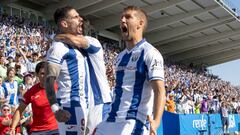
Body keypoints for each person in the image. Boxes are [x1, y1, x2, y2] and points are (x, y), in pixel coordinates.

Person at [94, 6, 166, 135]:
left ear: (140, 24)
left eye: (128, 17)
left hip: (133, 121)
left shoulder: (150, 53)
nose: (122, 20)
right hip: (111, 119)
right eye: (121, 17)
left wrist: (156, 121)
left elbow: (159, 90)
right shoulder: (120, 56)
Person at [54, 20, 112, 134]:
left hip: (98, 100)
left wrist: (56, 36)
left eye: (80, 24)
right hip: (82, 102)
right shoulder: (70, 49)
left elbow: (75, 40)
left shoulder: (92, 41)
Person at [45, 6, 89, 135]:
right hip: (69, 106)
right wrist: (56, 109)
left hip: (83, 104)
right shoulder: (58, 48)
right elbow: (49, 79)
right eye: (75, 17)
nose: (80, 19)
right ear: (64, 23)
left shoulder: (76, 46)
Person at [9, 61, 59, 135]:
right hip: (37, 131)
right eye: (42, 73)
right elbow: (19, 110)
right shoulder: (31, 91)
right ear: (37, 74)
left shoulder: (58, 87)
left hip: (56, 129)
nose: (45, 76)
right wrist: (12, 128)